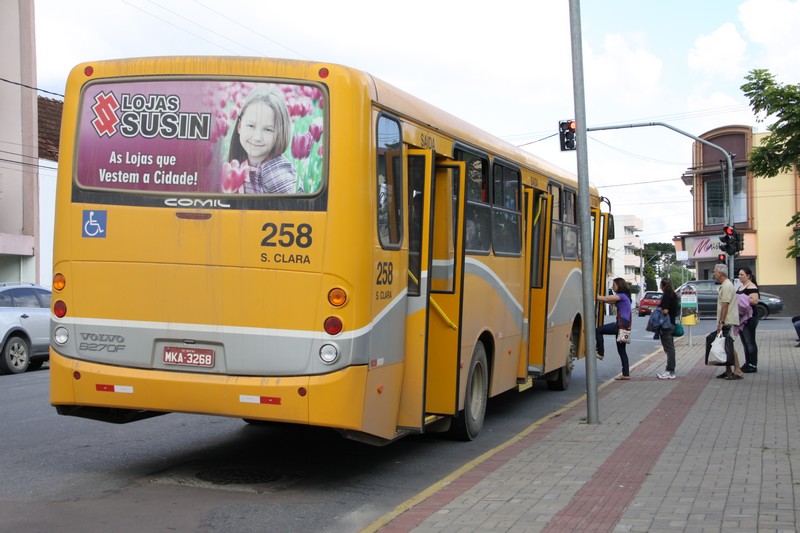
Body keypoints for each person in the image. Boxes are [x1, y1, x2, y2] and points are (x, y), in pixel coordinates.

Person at [227, 90, 300, 194]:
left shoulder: (275, 173)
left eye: (268, 129)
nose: (257, 137)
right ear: (239, 126)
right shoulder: (241, 163)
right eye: (251, 126)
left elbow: (298, 207)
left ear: (279, 133)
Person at [704, 264, 744, 380]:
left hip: (727, 320)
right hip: (726, 319)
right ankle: (728, 370)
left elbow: (725, 305)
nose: (714, 274)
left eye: (715, 272)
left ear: (721, 273)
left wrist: (721, 322)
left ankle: (737, 371)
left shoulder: (727, 286)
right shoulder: (725, 285)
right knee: (726, 344)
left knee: (729, 345)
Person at [596, 277, 633, 380]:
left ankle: (600, 353)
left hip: (620, 325)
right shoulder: (625, 297)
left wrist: (595, 295)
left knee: (598, 330)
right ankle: (625, 374)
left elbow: (606, 299)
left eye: (614, 285)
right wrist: (602, 299)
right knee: (622, 351)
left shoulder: (621, 296)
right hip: (625, 326)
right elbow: (608, 301)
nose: (612, 287)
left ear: (619, 285)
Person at [736, 268, 760, 372]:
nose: (739, 276)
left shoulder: (751, 286)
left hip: (750, 318)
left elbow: (755, 300)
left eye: (742, 274)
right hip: (742, 318)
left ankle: (753, 365)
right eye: (739, 274)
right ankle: (747, 363)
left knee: (750, 342)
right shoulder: (741, 286)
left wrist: (741, 299)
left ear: (748, 276)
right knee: (745, 342)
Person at [657, 279, 679, 380]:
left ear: (663, 285)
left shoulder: (667, 295)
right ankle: (669, 369)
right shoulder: (674, 295)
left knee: (669, 349)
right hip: (672, 323)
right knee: (670, 348)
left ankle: (670, 370)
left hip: (666, 324)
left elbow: (665, 310)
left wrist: (658, 311)